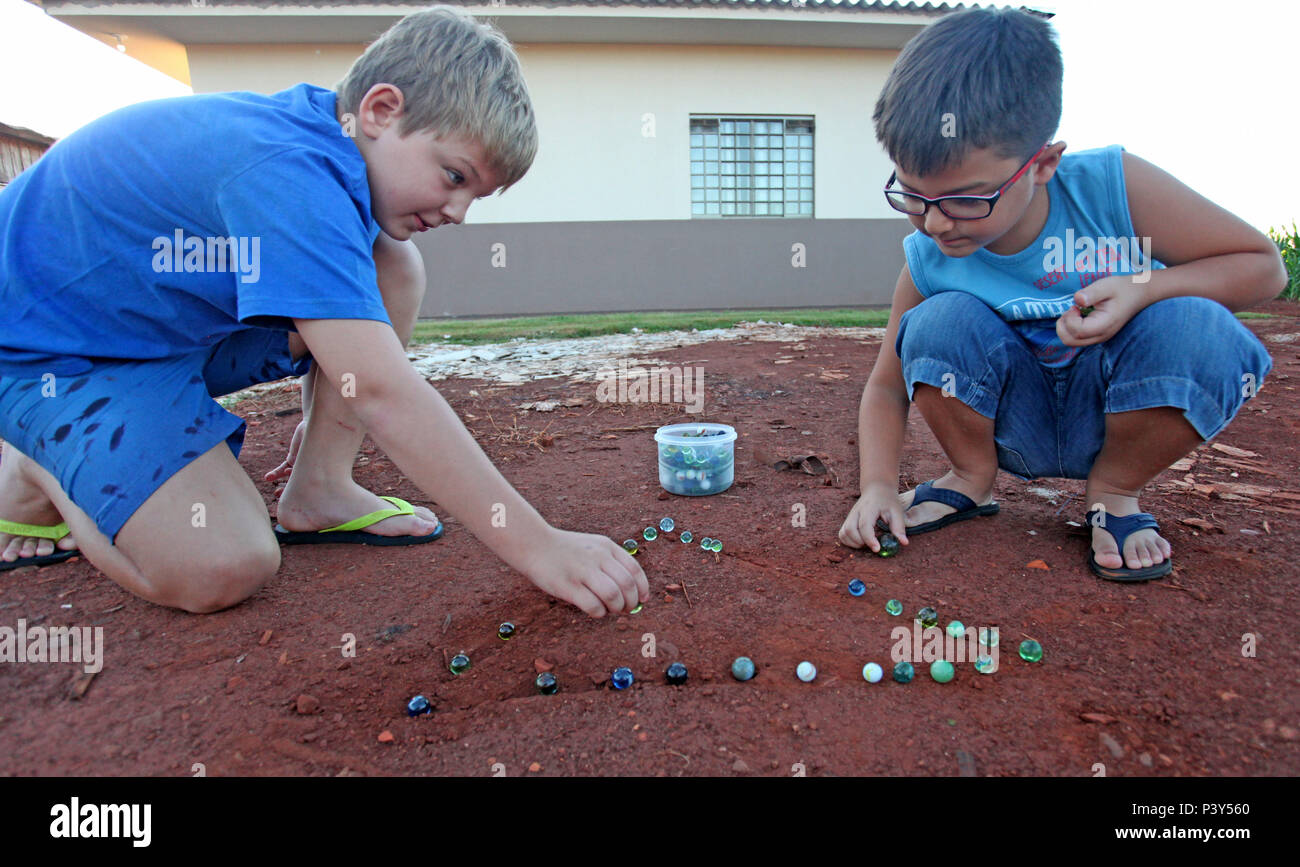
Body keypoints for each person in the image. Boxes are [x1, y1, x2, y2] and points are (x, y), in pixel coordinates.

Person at [0, 6, 647, 616]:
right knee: (225, 562)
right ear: (381, 110)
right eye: (455, 177)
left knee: (392, 261)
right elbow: (382, 391)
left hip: (151, 329)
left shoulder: (325, 145)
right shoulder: (290, 173)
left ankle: (320, 488)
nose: (457, 213)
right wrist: (540, 545)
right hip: (48, 355)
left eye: (475, 196)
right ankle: (38, 464)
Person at [837, 7, 1283, 581]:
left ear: (1043, 163)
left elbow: (1263, 268)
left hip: (1116, 412)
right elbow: (885, 384)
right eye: (913, 196)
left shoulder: (1112, 188)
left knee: (1199, 324)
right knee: (935, 321)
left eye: (967, 199)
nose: (936, 224)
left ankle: (1115, 492)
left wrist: (1141, 288)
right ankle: (971, 479)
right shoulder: (927, 256)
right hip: (1015, 429)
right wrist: (877, 487)